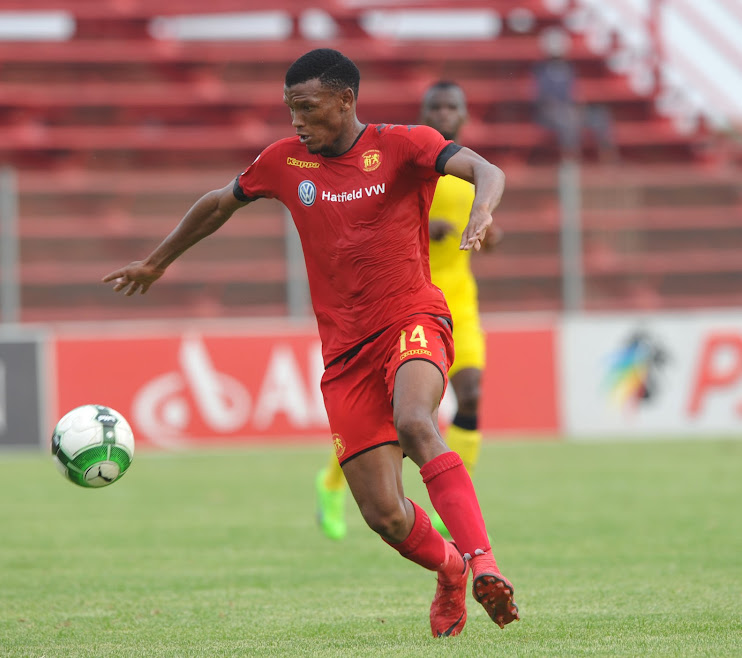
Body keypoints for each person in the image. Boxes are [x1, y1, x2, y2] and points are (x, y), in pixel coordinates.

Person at [103, 48, 519, 638]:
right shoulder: (283, 162)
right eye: (289, 107)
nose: (296, 119)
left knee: (415, 420)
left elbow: (489, 171)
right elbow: (218, 204)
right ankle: (450, 570)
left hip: (410, 316)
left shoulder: (404, 143)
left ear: (345, 100)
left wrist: (481, 210)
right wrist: (155, 262)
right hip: (344, 352)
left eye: (306, 106)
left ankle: (483, 562)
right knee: (384, 516)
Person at [316, 80, 502, 542]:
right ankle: (330, 483)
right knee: (402, 420)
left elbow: (488, 228)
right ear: (423, 113)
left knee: (472, 394)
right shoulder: (407, 159)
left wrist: (485, 230)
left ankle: (453, 503)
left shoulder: (468, 170)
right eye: (434, 106)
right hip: (402, 301)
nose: (442, 113)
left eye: (451, 106)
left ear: (463, 115)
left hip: (458, 296)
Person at [533, 27, 618, 163]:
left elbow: (575, 94)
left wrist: (578, 108)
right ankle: (571, 166)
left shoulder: (569, 68)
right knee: (567, 123)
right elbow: (543, 99)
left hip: (570, 111)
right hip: (552, 115)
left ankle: (608, 161)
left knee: (600, 116)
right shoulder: (541, 70)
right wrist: (563, 110)